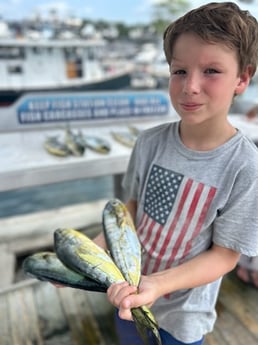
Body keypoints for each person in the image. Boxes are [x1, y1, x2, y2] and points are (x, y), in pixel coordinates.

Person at [94, 2, 258, 344]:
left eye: (211, 71)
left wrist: (159, 284)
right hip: (128, 291)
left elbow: (225, 256)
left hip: (184, 318)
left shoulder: (245, 166)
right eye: (179, 71)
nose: (190, 86)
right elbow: (133, 209)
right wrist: (96, 248)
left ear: (243, 77)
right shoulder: (149, 141)